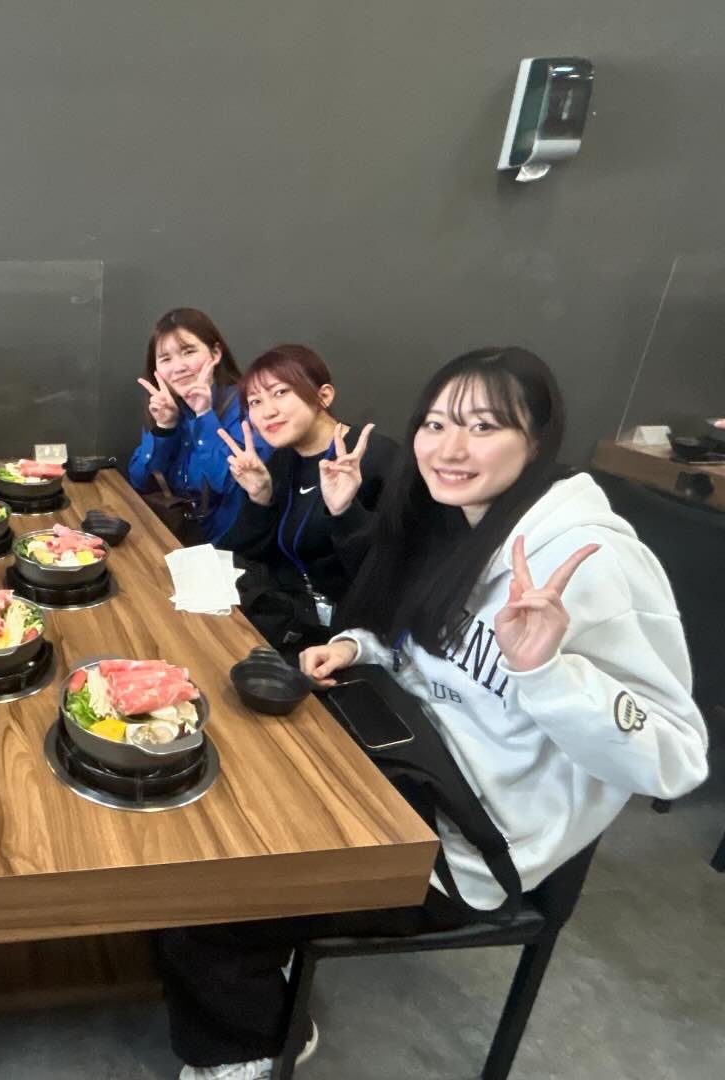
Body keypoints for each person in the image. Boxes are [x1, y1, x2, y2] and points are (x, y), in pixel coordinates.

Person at [156, 347, 709, 1080]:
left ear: (537, 440)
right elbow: (418, 644)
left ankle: (250, 1046)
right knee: (200, 806)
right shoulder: (457, 520)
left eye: (483, 427)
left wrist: (548, 674)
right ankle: (256, 972)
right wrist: (355, 647)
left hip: (468, 847)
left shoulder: (590, 561)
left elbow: (676, 761)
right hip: (397, 762)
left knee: (201, 897)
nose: (450, 449)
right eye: (438, 424)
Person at [215, 345, 397, 650]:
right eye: (255, 401)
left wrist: (345, 512)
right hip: (294, 620)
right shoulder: (282, 461)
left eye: (280, 392)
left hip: (354, 639)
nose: (267, 411)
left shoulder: (378, 459)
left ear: (323, 396)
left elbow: (392, 576)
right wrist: (260, 498)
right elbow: (246, 554)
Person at [127, 308, 272, 545]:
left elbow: (227, 481)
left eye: (189, 352)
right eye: (165, 359)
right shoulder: (168, 406)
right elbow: (140, 481)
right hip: (175, 535)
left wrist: (204, 414)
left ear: (215, 353)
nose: (178, 367)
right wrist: (165, 428)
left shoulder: (249, 406)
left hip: (231, 546)